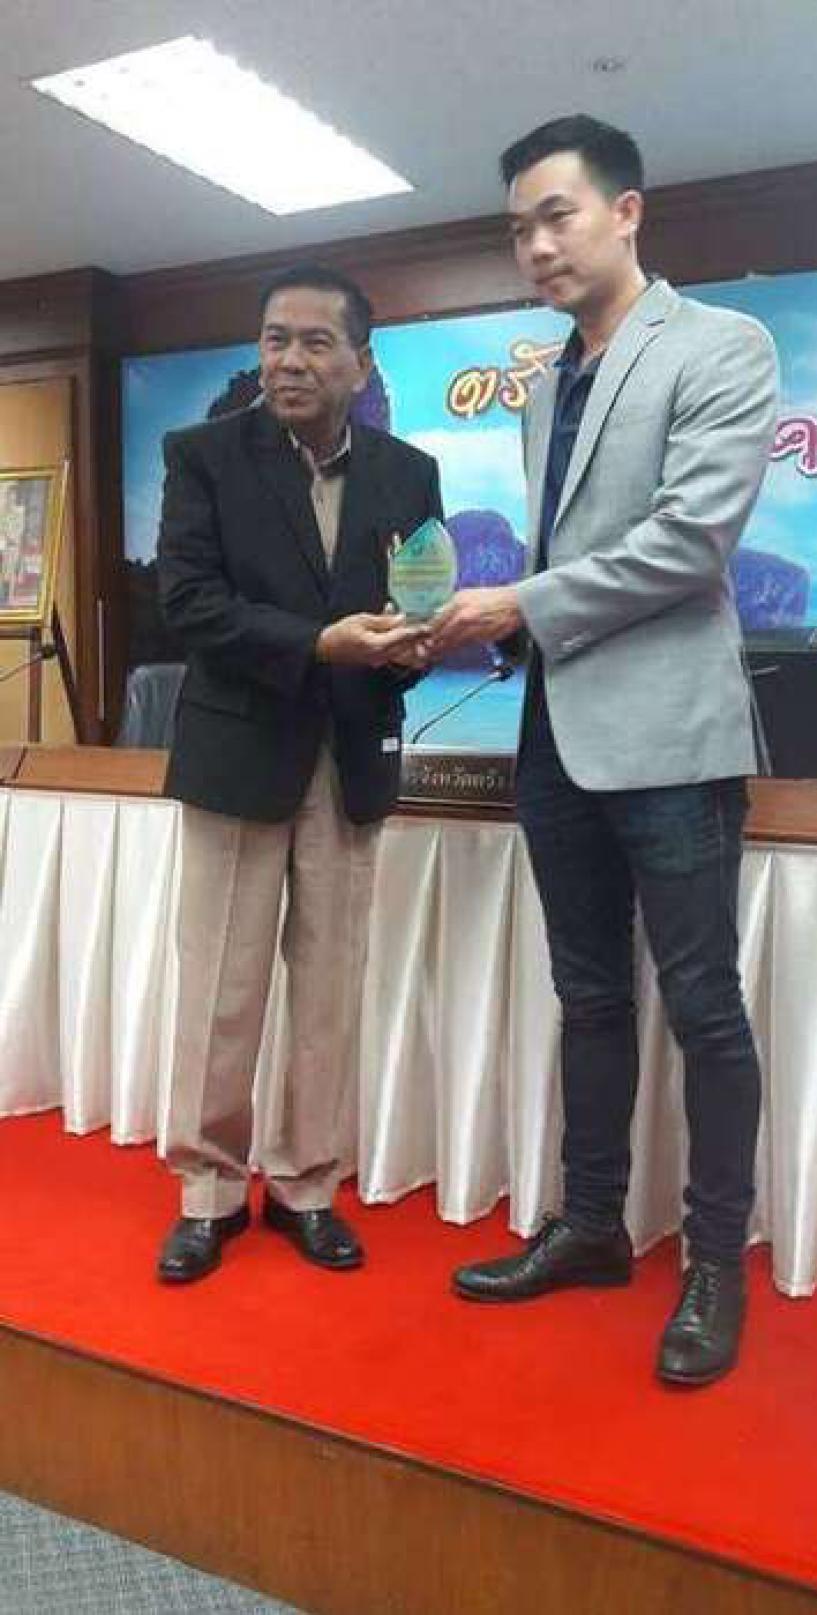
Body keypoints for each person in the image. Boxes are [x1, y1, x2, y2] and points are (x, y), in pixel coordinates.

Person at [430, 117, 779, 1385]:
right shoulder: (543, 385)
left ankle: (713, 1261)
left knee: (703, 1005)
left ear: (628, 212)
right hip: (555, 733)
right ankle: (590, 1226)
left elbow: (691, 542)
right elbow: (563, 558)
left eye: (557, 215)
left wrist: (519, 605)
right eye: (517, 227)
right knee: (586, 994)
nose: (535, 245)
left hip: (673, 737)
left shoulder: (722, 345)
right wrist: (485, 626)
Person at [155, 263, 441, 1284]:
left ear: (360, 362)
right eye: (276, 339)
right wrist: (321, 643)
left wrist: (412, 644)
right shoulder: (202, 457)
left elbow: (418, 599)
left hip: (350, 755)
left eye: (317, 342)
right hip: (239, 753)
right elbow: (189, 605)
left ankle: (306, 1185)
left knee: (328, 988)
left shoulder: (409, 473)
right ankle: (207, 1191)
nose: (290, 360)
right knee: (221, 990)